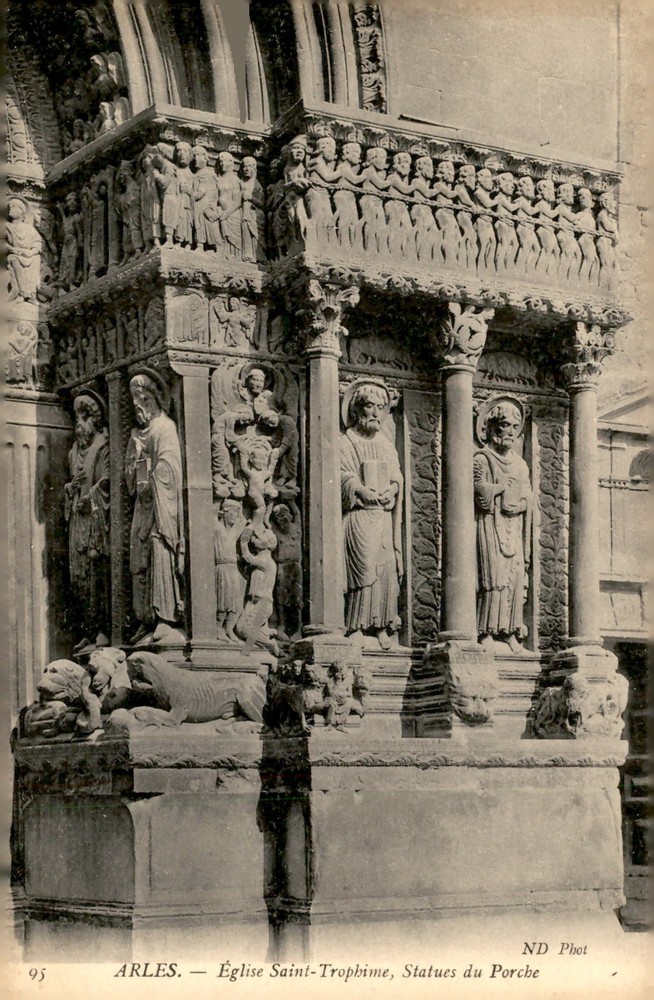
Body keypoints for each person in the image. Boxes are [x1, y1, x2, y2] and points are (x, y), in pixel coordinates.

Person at [341, 381, 403, 650]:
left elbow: (396, 476)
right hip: (359, 515)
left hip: (382, 515)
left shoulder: (386, 444)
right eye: (370, 406)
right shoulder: (345, 441)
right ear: (356, 410)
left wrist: (393, 489)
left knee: (385, 569)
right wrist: (359, 489)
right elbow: (341, 474)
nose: (376, 413)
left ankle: (380, 626)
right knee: (362, 569)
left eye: (381, 408)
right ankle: (355, 625)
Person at [125, 373, 185, 645]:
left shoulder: (164, 427)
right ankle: (145, 618)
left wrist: (151, 477)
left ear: (154, 400)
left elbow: (170, 466)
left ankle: (165, 617)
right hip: (144, 502)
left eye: (143, 399)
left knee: (159, 550)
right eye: (135, 400)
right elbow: (130, 477)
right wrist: (135, 456)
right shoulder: (137, 433)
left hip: (162, 504)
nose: (139, 405)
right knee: (139, 558)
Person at [474, 400, 532, 653]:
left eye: (515, 427)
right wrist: (498, 490)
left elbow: (529, 496)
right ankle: (486, 631)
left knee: (513, 580)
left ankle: (509, 632)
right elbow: (477, 489)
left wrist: (520, 505)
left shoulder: (520, 464)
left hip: (513, 526)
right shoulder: (482, 458)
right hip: (489, 524)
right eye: (504, 425)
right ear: (491, 427)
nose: (509, 431)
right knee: (493, 579)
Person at [64, 392, 110, 648]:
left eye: (85, 417)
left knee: (96, 573)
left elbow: (106, 481)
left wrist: (88, 498)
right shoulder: (73, 453)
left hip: (94, 521)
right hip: (77, 522)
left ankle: (102, 629)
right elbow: (71, 485)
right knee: (77, 576)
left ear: (96, 420)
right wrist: (71, 488)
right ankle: (88, 629)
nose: (79, 424)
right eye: (76, 418)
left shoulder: (102, 447)